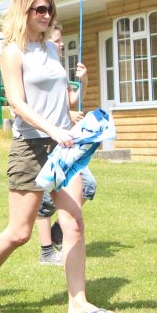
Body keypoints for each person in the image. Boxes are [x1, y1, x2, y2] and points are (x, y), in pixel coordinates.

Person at [0, 0, 114, 313]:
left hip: (64, 147)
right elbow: (17, 103)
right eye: (40, 9)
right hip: (30, 148)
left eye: (49, 9)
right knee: (20, 233)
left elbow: (62, 98)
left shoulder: (52, 49)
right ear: (24, 12)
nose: (47, 15)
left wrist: (79, 116)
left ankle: (78, 303)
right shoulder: (12, 52)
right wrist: (52, 129)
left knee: (74, 222)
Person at [36, 24, 98, 266]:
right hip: (47, 140)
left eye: (61, 41)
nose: (61, 44)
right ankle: (47, 249)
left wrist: (84, 82)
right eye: (58, 41)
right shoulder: (41, 70)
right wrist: (66, 117)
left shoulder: (58, 69)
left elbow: (70, 101)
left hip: (65, 140)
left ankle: (59, 232)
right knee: (44, 199)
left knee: (88, 186)